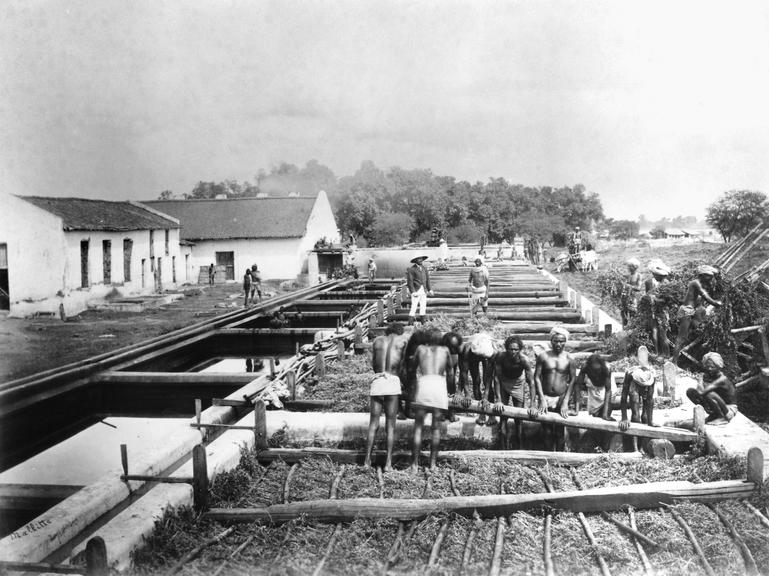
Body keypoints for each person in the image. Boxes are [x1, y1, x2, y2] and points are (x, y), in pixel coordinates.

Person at [364, 322, 410, 470]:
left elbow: (373, 364)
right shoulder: (403, 341)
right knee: (390, 425)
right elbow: (403, 367)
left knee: (373, 424)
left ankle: (366, 461)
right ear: (400, 332)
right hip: (393, 380)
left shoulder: (377, 341)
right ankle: (388, 463)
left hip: (377, 379)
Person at [409, 329, 454, 472]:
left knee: (418, 428)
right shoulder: (445, 350)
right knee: (436, 429)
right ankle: (432, 464)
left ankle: (414, 464)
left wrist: (412, 388)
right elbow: (451, 373)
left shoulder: (420, 349)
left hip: (424, 384)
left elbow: (411, 370)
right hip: (439, 386)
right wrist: (451, 391)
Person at [491, 336, 537, 449]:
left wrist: (532, 405)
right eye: (511, 349)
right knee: (502, 415)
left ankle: (520, 448)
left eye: (516, 349)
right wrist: (499, 400)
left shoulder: (524, 360)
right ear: (507, 348)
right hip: (504, 381)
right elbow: (496, 378)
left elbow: (531, 382)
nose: (513, 352)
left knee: (519, 417)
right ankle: (503, 448)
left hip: (518, 383)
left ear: (520, 349)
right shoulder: (501, 357)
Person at [534, 327, 575, 450]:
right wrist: (541, 398)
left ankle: (560, 461)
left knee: (559, 430)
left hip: (561, 397)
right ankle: (548, 460)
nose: (559, 344)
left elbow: (573, 380)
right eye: (556, 341)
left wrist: (566, 402)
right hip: (545, 396)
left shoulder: (569, 358)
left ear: (565, 342)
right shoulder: (543, 356)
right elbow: (537, 378)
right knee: (546, 431)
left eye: (562, 341)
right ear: (551, 341)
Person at [674, 265, 722, 364]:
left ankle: (681, 358)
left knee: (691, 332)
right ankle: (674, 362)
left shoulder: (701, 284)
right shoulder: (695, 283)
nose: (710, 278)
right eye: (708, 276)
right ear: (702, 275)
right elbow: (705, 295)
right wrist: (715, 303)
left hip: (692, 311)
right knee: (680, 338)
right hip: (687, 310)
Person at [686, 352, 737, 425]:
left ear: (718, 366)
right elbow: (698, 391)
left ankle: (721, 417)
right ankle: (714, 414)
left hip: (729, 410)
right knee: (691, 392)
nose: (709, 369)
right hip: (720, 405)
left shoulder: (721, 379)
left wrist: (700, 380)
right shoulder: (710, 376)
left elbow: (703, 392)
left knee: (708, 393)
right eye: (707, 366)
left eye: (713, 367)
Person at [458, 332, 498, 425]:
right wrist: (467, 394)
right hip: (473, 356)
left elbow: (489, 378)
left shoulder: (493, 352)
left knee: (485, 380)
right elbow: (464, 373)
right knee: (476, 381)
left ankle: (491, 415)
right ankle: (481, 413)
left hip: (487, 356)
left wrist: (486, 396)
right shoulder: (467, 351)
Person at [571, 353, 616, 420]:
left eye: (598, 371)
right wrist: (576, 410)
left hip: (606, 389)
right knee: (596, 415)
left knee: (605, 416)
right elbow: (577, 386)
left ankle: (605, 414)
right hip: (593, 388)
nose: (596, 374)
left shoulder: (607, 369)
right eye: (594, 371)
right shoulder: (585, 367)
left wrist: (605, 414)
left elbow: (608, 391)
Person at [644, 260, 671, 356]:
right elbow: (648, 296)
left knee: (663, 334)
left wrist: (655, 299)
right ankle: (657, 352)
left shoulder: (666, 284)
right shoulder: (656, 283)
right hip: (654, 311)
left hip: (662, 311)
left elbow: (667, 300)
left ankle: (666, 355)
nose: (654, 277)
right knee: (655, 331)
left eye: (656, 275)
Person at [618, 364, 656, 432]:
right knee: (636, 416)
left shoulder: (652, 375)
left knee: (645, 417)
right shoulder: (630, 375)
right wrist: (624, 418)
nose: (645, 389)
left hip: (646, 386)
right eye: (643, 386)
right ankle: (634, 436)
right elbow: (624, 396)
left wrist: (650, 422)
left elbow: (650, 399)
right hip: (634, 387)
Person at [406, 255, 433, 325]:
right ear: (415, 261)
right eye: (418, 259)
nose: (420, 260)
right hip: (416, 290)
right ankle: (410, 322)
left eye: (421, 259)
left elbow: (427, 280)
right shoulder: (411, 269)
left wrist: (430, 289)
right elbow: (410, 282)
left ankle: (423, 321)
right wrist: (413, 292)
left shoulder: (424, 268)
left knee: (423, 306)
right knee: (414, 306)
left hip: (423, 290)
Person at [620, 258, 642, 327]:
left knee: (633, 314)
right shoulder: (627, 276)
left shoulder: (639, 276)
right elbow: (621, 284)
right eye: (628, 266)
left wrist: (629, 286)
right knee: (624, 314)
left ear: (635, 267)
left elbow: (639, 288)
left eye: (630, 266)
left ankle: (633, 329)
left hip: (633, 297)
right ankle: (624, 329)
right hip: (625, 297)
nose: (628, 268)